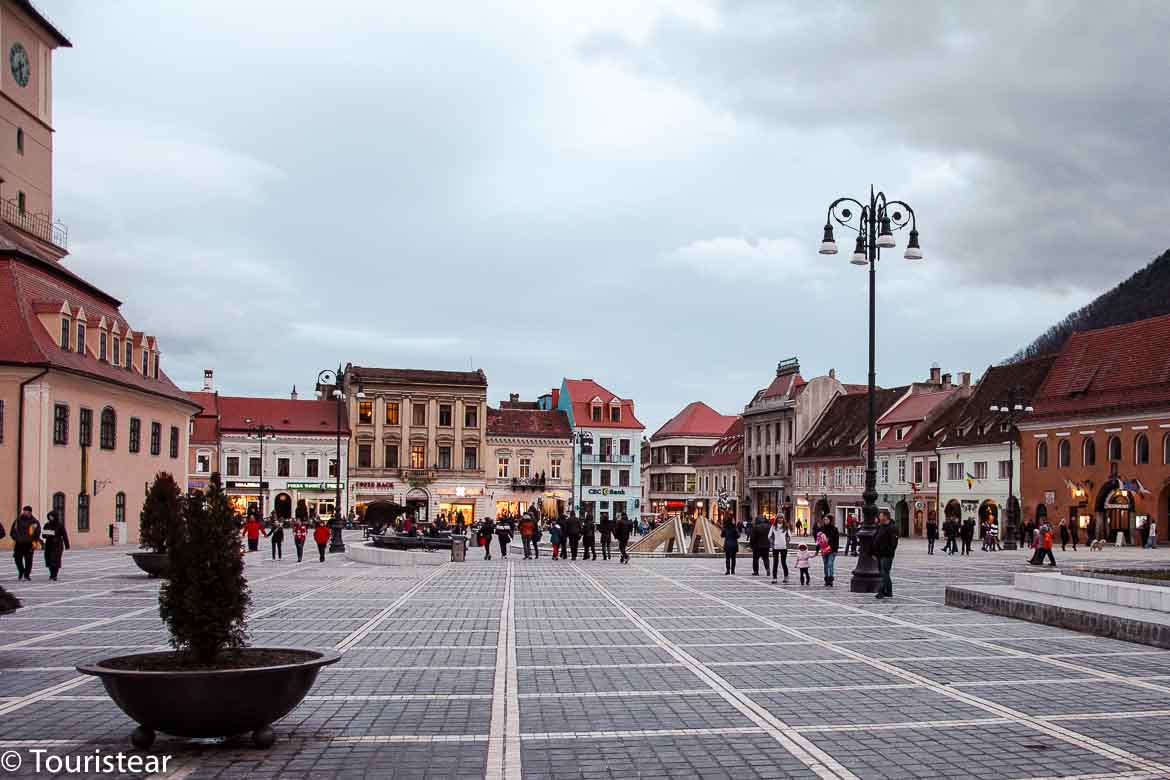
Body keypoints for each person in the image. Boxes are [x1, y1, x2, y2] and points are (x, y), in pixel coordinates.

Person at [10, 506, 40, 581]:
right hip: (19, 543)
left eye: (26, 511)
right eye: (24, 511)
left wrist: (34, 541)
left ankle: (27, 574)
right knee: (17, 559)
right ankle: (21, 571)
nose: (24, 512)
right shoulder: (18, 520)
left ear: (30, 512)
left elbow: (36, 533)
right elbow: (13, 531)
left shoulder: (34, 522)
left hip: (29, 544)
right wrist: (16, 538)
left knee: (28, 560)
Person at [873, 509, 899, 599]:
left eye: (880, 515)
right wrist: (874, 552)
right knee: (884, 573)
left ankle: (881, 591)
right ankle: (889, 591)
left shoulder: (892, 528)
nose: (879, 517)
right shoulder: (881, 526)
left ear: (885, 516)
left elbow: (893, 544)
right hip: (879, 554)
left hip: (886, 555)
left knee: (884, 573)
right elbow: (876, 539)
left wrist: (888, 552)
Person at [41, 510, 69, 582]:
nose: (50, 518)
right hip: (49, 545)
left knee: (56, 560)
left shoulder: (60, 525)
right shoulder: (47, 525)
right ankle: (51, 574)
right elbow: (43, 535)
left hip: (57, 545)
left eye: (52, 516)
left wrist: (67, 545)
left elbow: (64, 535)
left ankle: (54, 575)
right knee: (49, 560)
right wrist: (46, 534)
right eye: (49, 516)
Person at [769, 517, 790, 584]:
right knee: (775, 563)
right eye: (779, 518)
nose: (780, 519)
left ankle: (786, 577)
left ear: (783, 519)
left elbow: (789, 536)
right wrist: (772, 542)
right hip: (776, 547)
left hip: (783, 547)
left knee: (783, 562)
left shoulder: (786, 526)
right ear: (777, 519)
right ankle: (774, 578)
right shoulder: (773, 526)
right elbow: (769, 535)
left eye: (781, 518)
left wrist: (787, 542)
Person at [819, 516, 840, 587]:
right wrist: (817, 550)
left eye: (827, 519)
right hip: (824, 550)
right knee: (825, 564)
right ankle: (826, 579)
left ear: (830, 520)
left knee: (830, 564)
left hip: (832, 550)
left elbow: (836, 540)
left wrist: (835, 550)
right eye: (824, 519)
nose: (825, 520)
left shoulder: (834, 529)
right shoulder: (822, 529)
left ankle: (830, 580)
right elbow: (819, 540)